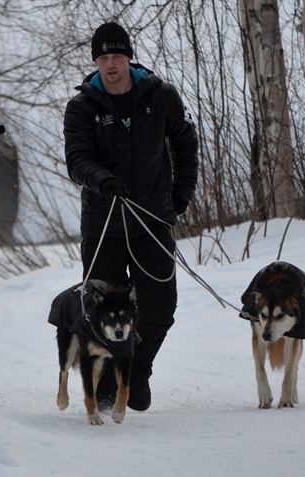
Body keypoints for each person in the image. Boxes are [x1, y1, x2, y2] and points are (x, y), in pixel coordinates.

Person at [63, 22, 199, 411]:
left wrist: (181, 194)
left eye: (117, 56)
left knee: (159, 308)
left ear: (128, 57)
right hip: (103, 223)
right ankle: (108, 377)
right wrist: (101, 180)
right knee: (102, 309)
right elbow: (77, 160)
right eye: (104, 57)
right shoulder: (82, 107)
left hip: (152, 220)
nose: (111, 64)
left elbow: (185, 142)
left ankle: (137, 371)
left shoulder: (161, 95)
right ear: (96, 61)